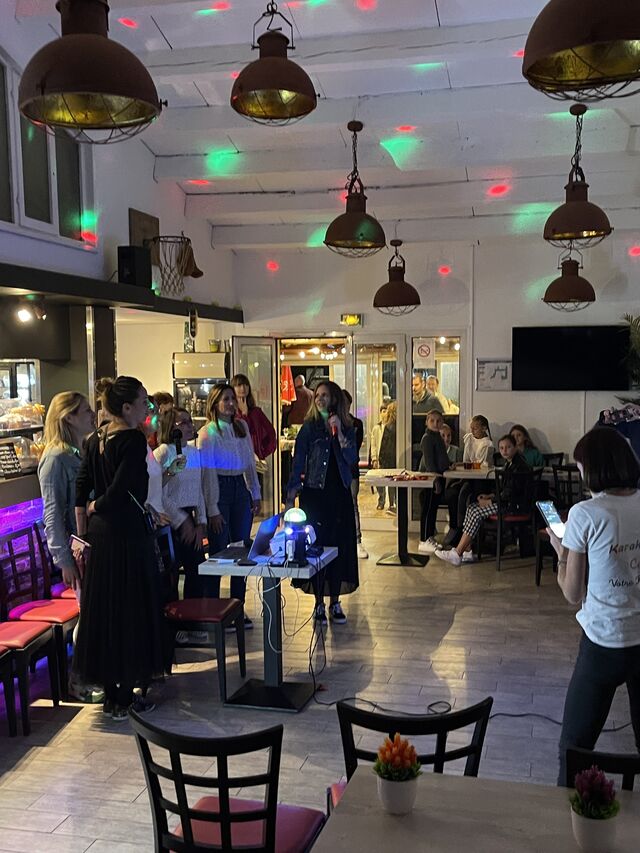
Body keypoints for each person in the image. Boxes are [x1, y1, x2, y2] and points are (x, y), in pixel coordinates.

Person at [547, 428, 640, 786]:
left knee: (574, 750)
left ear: (592, 468)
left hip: (604, 642)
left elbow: (572, 593)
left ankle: (569, 816)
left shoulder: (585, 514)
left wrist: (561, 554)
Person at [74, 376, 164, 720]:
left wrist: (87, 515)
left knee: (105, 611)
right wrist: (98, 505)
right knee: (130, 611)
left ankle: (112, 694)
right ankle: (125, 695)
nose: (147, 407)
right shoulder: (131, 439)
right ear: (126, 408)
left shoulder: (95, 439)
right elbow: (125, 489)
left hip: (101, 537)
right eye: (143, 402)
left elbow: (82, 485)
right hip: (126, 536)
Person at [38, 391, 101, 704]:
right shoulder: (55, 459)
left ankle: (92, 674)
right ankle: (79, 680)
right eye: (86, 411)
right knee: (87, 616)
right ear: (69, 418)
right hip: (78, 550)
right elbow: (52, 515)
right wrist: (63, 559)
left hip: (90, 544)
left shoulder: (77, 452)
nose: (92, 415)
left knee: (93, 613)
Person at [286, 380, 358, 626]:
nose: (319, 399)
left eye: (325, 395)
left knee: (338, 548)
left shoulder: (348, 427)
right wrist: (291, 494)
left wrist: (340, 435)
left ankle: (335, 601)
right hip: (315, 495)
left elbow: (351, 458)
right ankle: (318, 602)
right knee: (317, 549)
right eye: (317, 395)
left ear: (334, 399)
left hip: (339, 494)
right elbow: (298, 461)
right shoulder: (309, 428)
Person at [198, 383, 261, 626]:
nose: (231, 403)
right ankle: (214, 611)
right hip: (220, 488)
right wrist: (212, 508)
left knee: (241, 550)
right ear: (215, 403)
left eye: (232, 398)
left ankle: (237, 608)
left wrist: (255, 492)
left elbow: (250, 462)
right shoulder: (208, 432)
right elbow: (208, 473)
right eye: (225, 399)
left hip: (239, 487)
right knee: (218, 552)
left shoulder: (241, 427)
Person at [435, 433, 530, 566]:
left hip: (513, 506)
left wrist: (490, 501)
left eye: (508, 447)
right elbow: (505, 491)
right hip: (505, 502)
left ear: (515, 447)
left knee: (476, 512)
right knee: (471, 507)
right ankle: (467, 551)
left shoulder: (518, 466)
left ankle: (457, 552)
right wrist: (490, 496)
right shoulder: (510, 463)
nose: (505, 451)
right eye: (501, 448)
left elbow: (511, 494)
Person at [154, 408, 207, 617]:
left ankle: (192, 617)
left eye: (190, 421)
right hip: (169, 520)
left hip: (191, 517)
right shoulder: (162, 452)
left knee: (196, 571)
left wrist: (200, 522)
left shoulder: (195, 452)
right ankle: (172, 620)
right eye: (183, 422)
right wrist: (181, 520)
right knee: (171, 575)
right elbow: (157, 492)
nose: (189, 426)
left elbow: (198, 490)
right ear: (171, 427)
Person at [443, 415, 495, 546]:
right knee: (451, 493)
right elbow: (467, 460)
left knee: (464, 495)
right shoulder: (469, 439)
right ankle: (454, 527)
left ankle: (464, 532)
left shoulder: (487, 445)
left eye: (475, 428)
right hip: (468, 476)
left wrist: (464, 465)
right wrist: (460, 465)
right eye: (471, 428)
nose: (472, 431)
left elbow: (481, 465)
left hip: (481, 480)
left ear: (484, 428)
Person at [230, 373, 277, 474]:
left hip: (255, 463)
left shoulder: (256, 412)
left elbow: (271, 433)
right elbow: (242, 433)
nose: (243, 388)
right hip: (237, 463)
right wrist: (244, 414)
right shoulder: (230, 413)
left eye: (245, 385)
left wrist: (261, 453)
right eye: (239, 385)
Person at [418, 410, 450, 553]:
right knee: (428, 509)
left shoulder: (437, 437)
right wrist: (435, 480)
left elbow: (441, 458)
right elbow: (430, 463)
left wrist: (449, 465)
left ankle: (429, 537)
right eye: (432, 420)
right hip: (431, 480)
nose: (435, 423)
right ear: (427, 422)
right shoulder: (427, 438)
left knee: (433, 509)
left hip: (439, 478)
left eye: (438, 421)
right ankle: (424, 540)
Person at [343, 389, 368, 559]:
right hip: (337, 471)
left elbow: (354, 448)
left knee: (352, 503)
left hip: (351, 470)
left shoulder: (356, 424)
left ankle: (357, 541)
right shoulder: (330, 423)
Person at [378, 400, 397, 514]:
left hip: (389, 458)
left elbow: (384, 444)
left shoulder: (388, 426)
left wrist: (381, 458)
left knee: (391, 482)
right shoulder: (403, 426)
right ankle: (396, 503)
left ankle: (391, 504)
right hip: (397, 457)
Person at [370, 404, 388, 510]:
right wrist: (374, 458)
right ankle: (381, 500)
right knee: (379, 480)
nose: (385, 413)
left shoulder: (392, 427)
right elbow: (373, 445)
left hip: (388, 457)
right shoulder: (376, 428)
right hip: (379, 457)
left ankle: (392, 502)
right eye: (383, 411)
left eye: (386, 411)